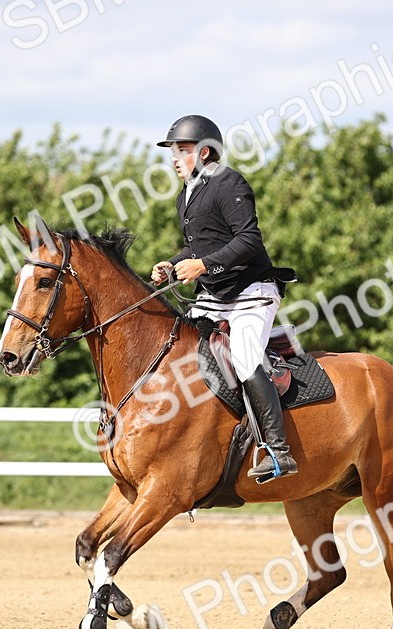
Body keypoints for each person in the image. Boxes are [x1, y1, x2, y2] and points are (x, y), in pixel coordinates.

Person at [150, 114, 298, 482]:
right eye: (172, 151)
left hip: (251, 293)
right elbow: (198, 247)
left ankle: (278, 451)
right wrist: (174, 264)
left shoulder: (228, 181)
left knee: (246, 359)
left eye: (181, 151)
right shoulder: (186, 195)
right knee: (177, 353)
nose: (173, 158)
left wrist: (201, 266)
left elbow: (249, 241)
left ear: (204, 152)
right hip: (215, 296)